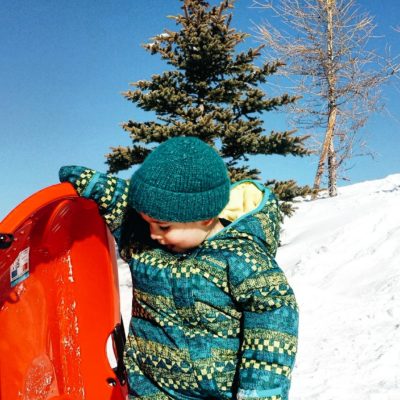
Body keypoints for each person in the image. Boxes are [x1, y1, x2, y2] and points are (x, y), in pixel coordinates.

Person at [59, 136, 298, 400]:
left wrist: (260, 391)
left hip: (218, 395)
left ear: (205, 217)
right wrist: (92, 183)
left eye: (163, 226)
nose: (153, 233)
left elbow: (273, 321)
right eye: (147, 223)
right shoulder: (144, 246)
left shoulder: (241, 257)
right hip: (149, 390)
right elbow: (122, 201)